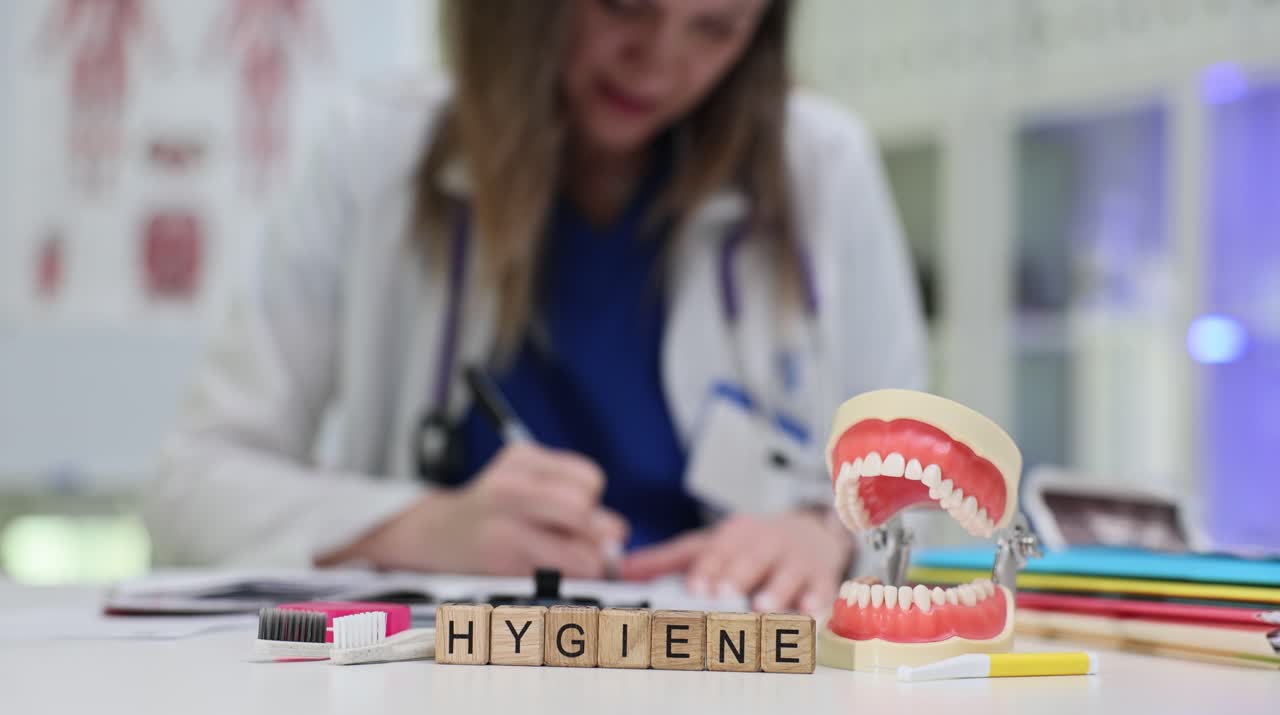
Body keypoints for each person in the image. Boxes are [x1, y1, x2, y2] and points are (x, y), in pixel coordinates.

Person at [145, 0, 927, 615]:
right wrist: (420, 530)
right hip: (449, 674)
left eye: (715, 28)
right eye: (623, 6)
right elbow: (191, 491)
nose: (658, 61)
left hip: (733, 675)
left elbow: (916, 497)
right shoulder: (375, 152)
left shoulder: (823, 167)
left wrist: (824, 536)